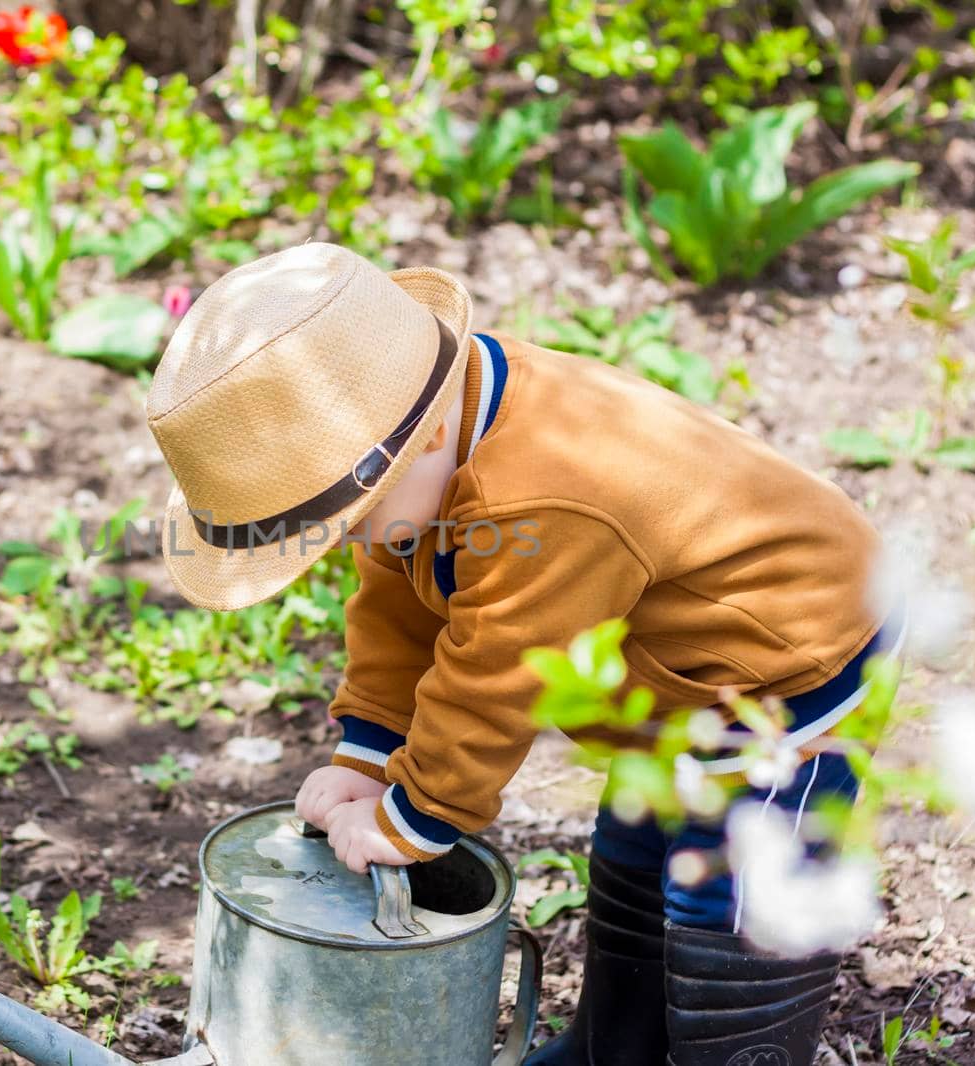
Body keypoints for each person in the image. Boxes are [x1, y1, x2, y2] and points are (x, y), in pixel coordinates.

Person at [144, 242, 895, 1066]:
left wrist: (414, 818)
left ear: (421, 436)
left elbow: (498, 674)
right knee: (640, 855)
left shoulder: (543, 499)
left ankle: (736, 1052)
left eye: (349, 520)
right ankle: (616, 1049)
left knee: (739, 895)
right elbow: (395, 611)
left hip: (787, 662)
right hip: (680, 677)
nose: (349, 542)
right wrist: (371, 748)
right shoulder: (426, 436)